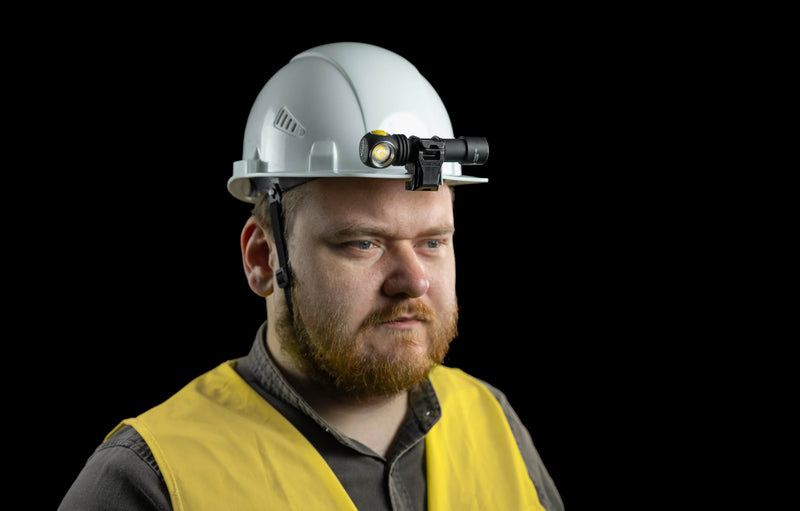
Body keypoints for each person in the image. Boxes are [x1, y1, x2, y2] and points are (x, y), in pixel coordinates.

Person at [59, 42, 563, 510]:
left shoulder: (491, 418)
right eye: (363, 243)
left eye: (432, 242)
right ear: (263, 258)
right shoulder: (152, 477)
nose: (413, 281)